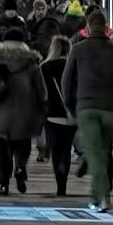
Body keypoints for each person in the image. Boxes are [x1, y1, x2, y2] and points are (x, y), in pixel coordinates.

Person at [66, 16, 113, 212]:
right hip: (111, 110)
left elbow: (67, 80)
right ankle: (101, 193)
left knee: (95, 154)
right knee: (103, 152)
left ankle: (102, 196)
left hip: (87, 107)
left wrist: (70, 107)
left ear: (88, 28)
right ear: (106, 28)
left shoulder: (78, 50)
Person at [0, 28, 45, 195]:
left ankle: (3, 184)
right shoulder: (31, 61)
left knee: (1, 150)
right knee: (23, 145)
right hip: (25, 113)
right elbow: (41, 89)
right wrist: (41, 106)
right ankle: (20, 167)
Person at [37, 36, 79, 196]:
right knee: (67, 149)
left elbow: (41, 93)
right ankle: (64, 182)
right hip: (71, 114)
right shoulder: (75, 66)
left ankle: (59, 183)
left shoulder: (45, 67)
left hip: (52, 115)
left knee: (56, 150)